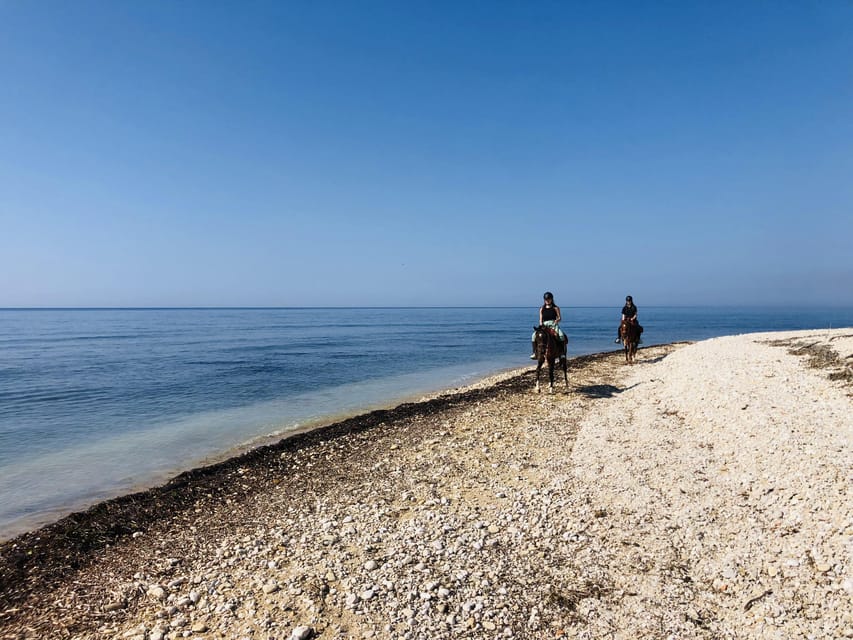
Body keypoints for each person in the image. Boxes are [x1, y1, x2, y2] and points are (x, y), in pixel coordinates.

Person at [531, 291, 568, 358]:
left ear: (551, 299)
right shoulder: (542, 308)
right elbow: (540, 319)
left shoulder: (556, 308)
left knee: (561, 335)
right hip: (544, 325)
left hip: (553, 324)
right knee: (533, 335)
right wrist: (541, 325)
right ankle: (535, 353)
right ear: (544, 300)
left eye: (549, 299)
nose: (547, 301)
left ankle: (562, 352)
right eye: (546, 299)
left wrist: (557, 320)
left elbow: (559, 318)